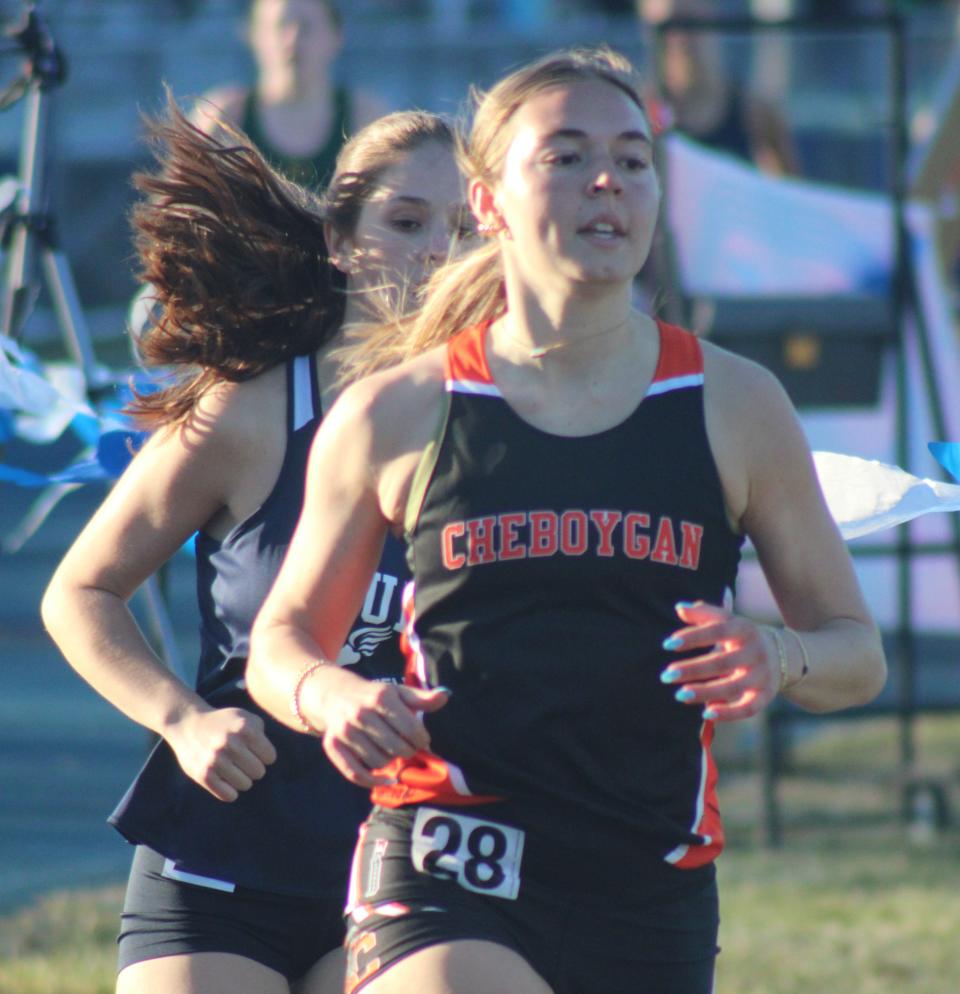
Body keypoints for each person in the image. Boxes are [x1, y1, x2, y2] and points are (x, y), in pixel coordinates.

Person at [246, 45, 887, 994]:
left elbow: (856, 653)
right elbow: (283, 642)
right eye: (566, 155)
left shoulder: (734, 404)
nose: (608, 182)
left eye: (634, 160)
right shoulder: (397, 413)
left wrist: (776, 655)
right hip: (444, 859)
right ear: (489, 202)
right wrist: (331, 696)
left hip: (647, 880)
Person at [40, 103, 469, 994]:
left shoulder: (506, 428)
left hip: (407, 866)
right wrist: (182, 720)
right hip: (224, 857)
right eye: (406, 221)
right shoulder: (252, 409)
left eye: (463, 228)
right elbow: (80, 591)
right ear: (343, 242)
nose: (436, 250)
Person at [194, 0, 386, 188]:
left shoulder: (366, 121)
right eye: (280, 25)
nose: (292, 39)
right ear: (252, 34)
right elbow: (176, 209)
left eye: (306, 27)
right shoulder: (223, 118)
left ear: (337, 35)